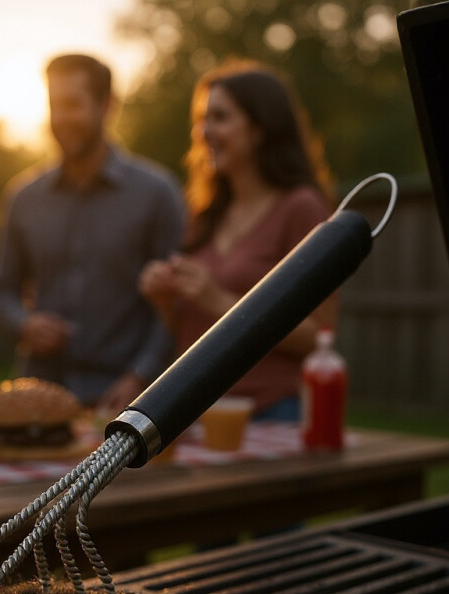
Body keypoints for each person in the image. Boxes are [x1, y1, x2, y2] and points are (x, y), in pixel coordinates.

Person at [139, 59, 335, 421]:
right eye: (201, 119)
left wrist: (219, 300)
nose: (203, 131)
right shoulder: (202, 214)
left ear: (260, 128)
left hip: (271, 412)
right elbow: (192, 331)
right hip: (196, 411)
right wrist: (165, 301)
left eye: (220, 117)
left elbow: (319, 336)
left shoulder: (299, 208)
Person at [0, 53, 185, 411]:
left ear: (107, 106)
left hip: (124, 404)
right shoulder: (22, 197)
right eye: (54, 106)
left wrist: (140, 378)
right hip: (40, 401)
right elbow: (2, 289)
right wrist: (24, 324)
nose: (61, 119)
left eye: (72, 105)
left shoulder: (157, 193)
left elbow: (175, 303)